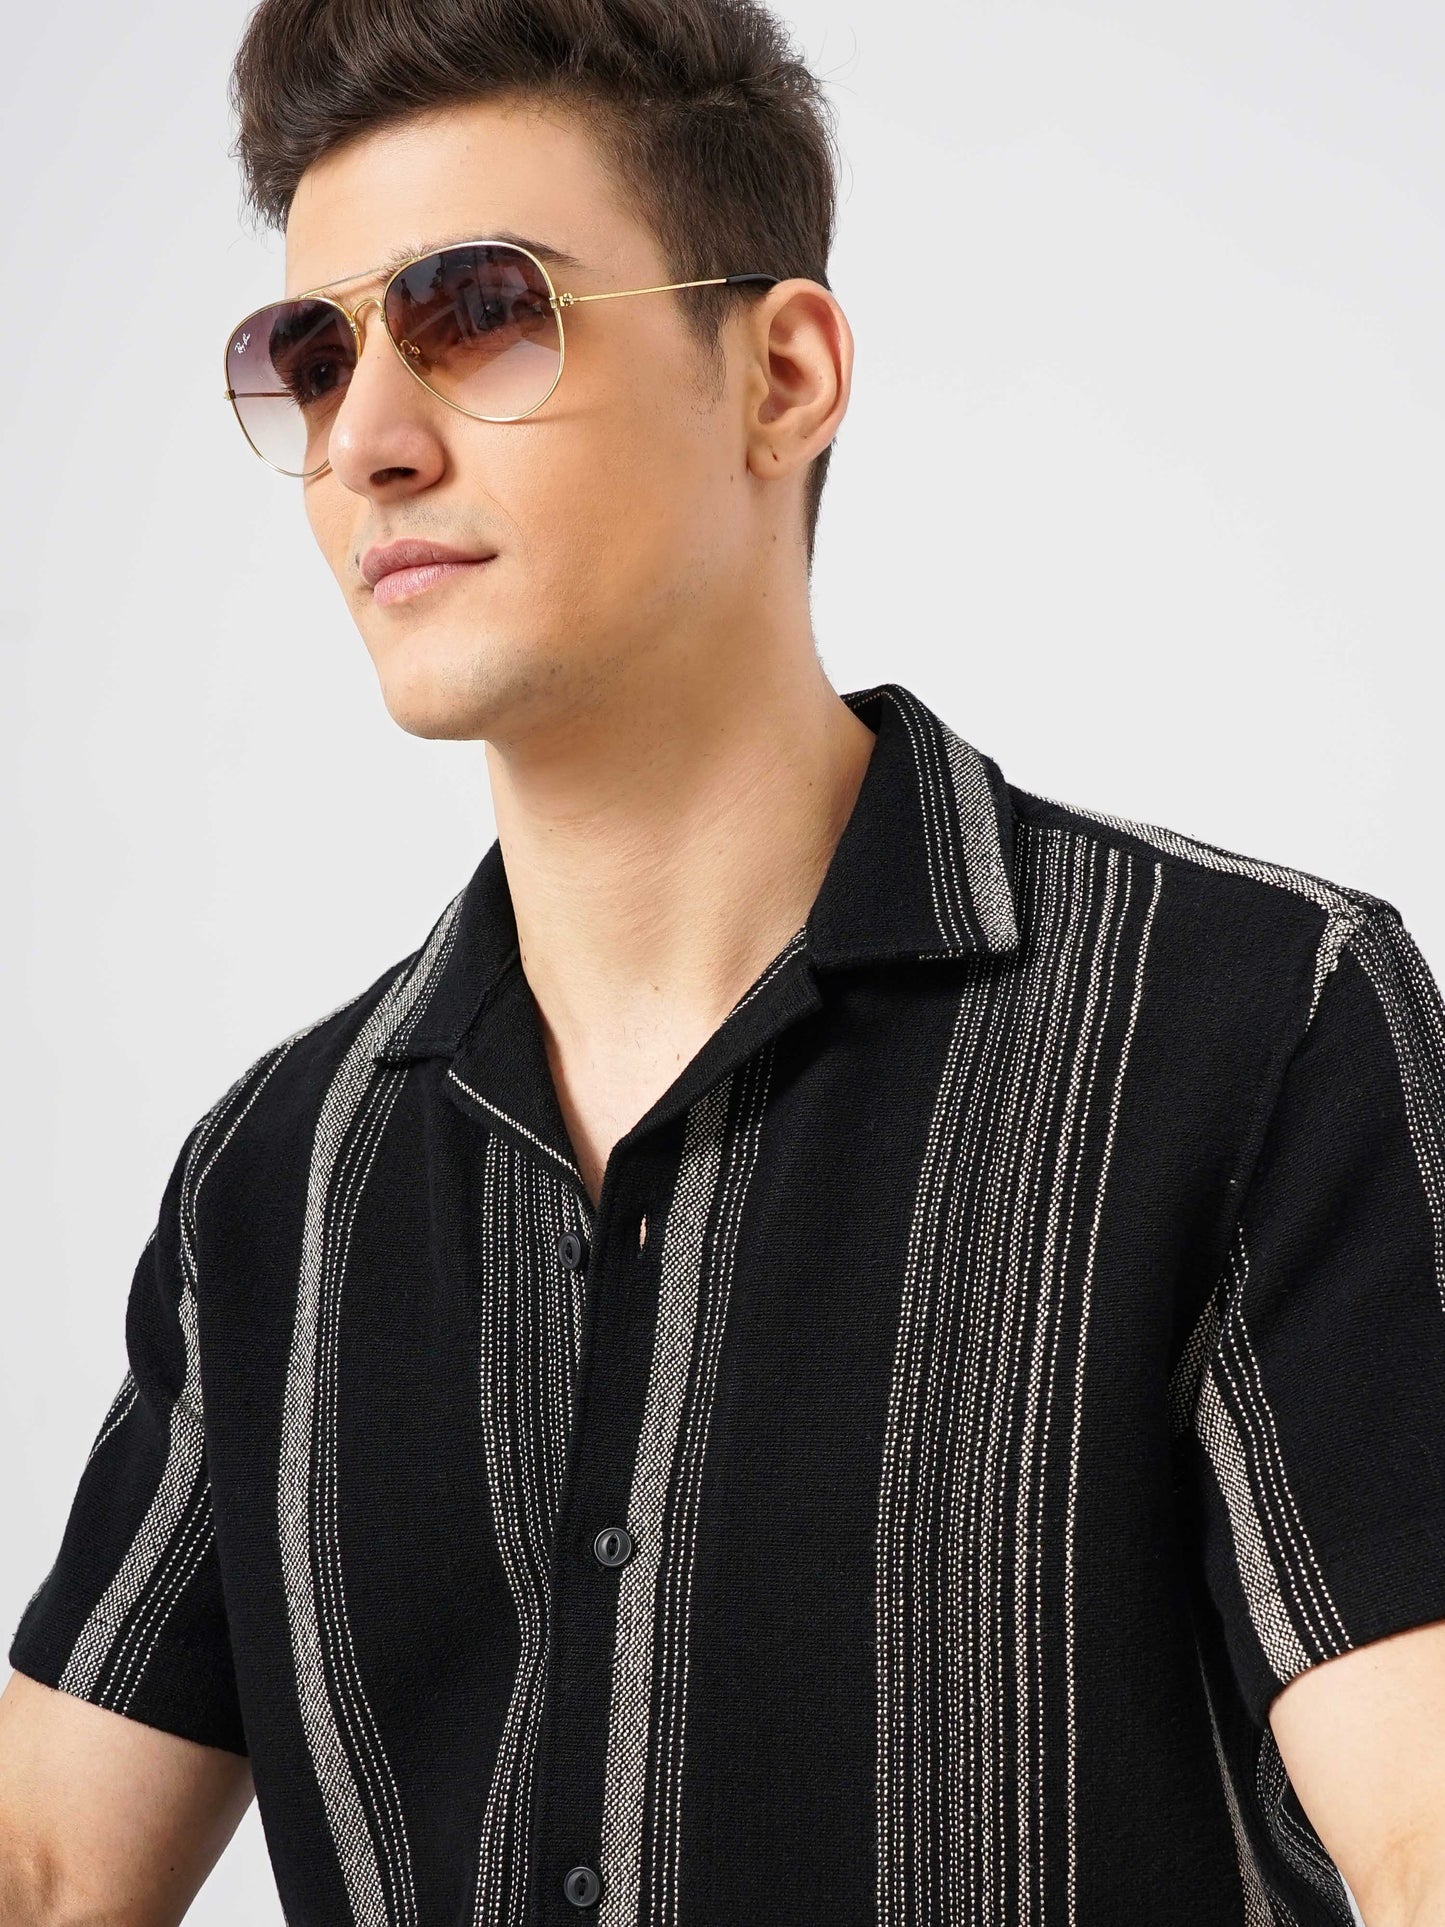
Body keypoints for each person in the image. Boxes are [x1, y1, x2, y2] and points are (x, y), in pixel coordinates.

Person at [3, 0, 1444, 1920]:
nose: (367, 444)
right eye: (312, 357)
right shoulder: (276, 1184)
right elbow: (48, 1866)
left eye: (477, 312)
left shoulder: (1248, 1027)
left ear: (779, 375)